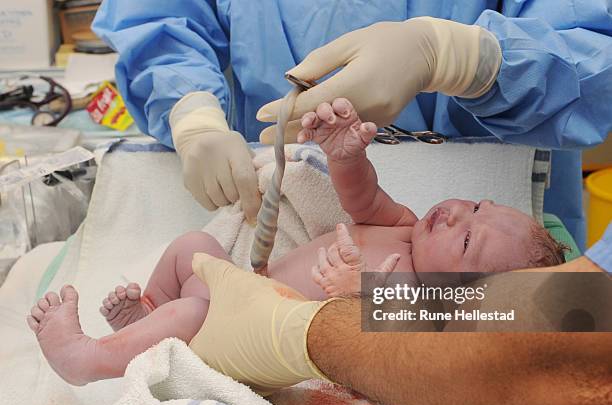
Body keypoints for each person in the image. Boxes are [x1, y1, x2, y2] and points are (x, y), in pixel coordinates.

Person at [25, 98, 567, 387]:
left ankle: (91, 359)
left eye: (468, 237)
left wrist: (360, 291)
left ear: (469, 296)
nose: (454, 214)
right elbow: (363, 200)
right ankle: (147, 318)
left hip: (251, 332)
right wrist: (346, 156)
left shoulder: (420, 299)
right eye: (476, 204)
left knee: (194, 310)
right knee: (192, 247)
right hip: (242, 288)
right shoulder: (403, 226)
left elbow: (383, 337)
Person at [92, 1, 612, 248]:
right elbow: (160, 19)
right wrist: (191, 113)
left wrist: (466, 59)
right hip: (274, 195)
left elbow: (591, 45)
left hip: (500, 206)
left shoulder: (427, 283)